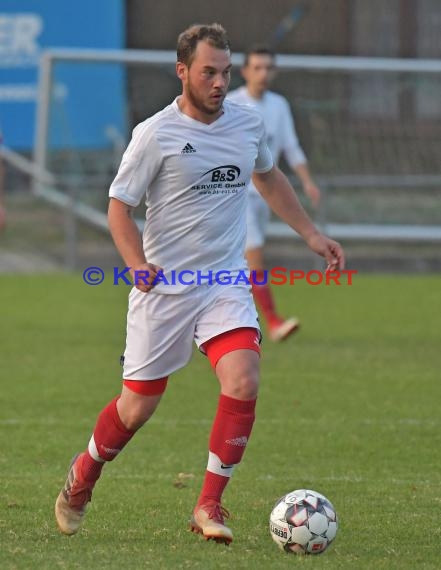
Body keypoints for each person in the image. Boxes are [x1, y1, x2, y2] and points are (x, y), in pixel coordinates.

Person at [55, 23, 344, 544]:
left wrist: (311, 234)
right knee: (136, 407)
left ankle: (208, 505)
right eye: (208, 72)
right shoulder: (155, 134)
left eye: (225, 72)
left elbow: (268, 177)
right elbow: (119, 208)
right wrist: (136, 262)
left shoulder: (247, 124)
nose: (218, 82)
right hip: (164, 286)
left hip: (224, 280)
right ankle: (83, 477)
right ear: (183, 71)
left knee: (243, 378)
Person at [228, 45, 321, 341]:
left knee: (237, 265)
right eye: (257, 67)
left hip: (267, 197)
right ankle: (272, 321)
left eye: (268, 67)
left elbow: (291, 147)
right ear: (245, 72)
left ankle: (223, 319)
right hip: (237, 195)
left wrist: (307, 181)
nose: (263, 73)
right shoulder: (231, 104)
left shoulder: (279, 105)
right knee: (255, 259)